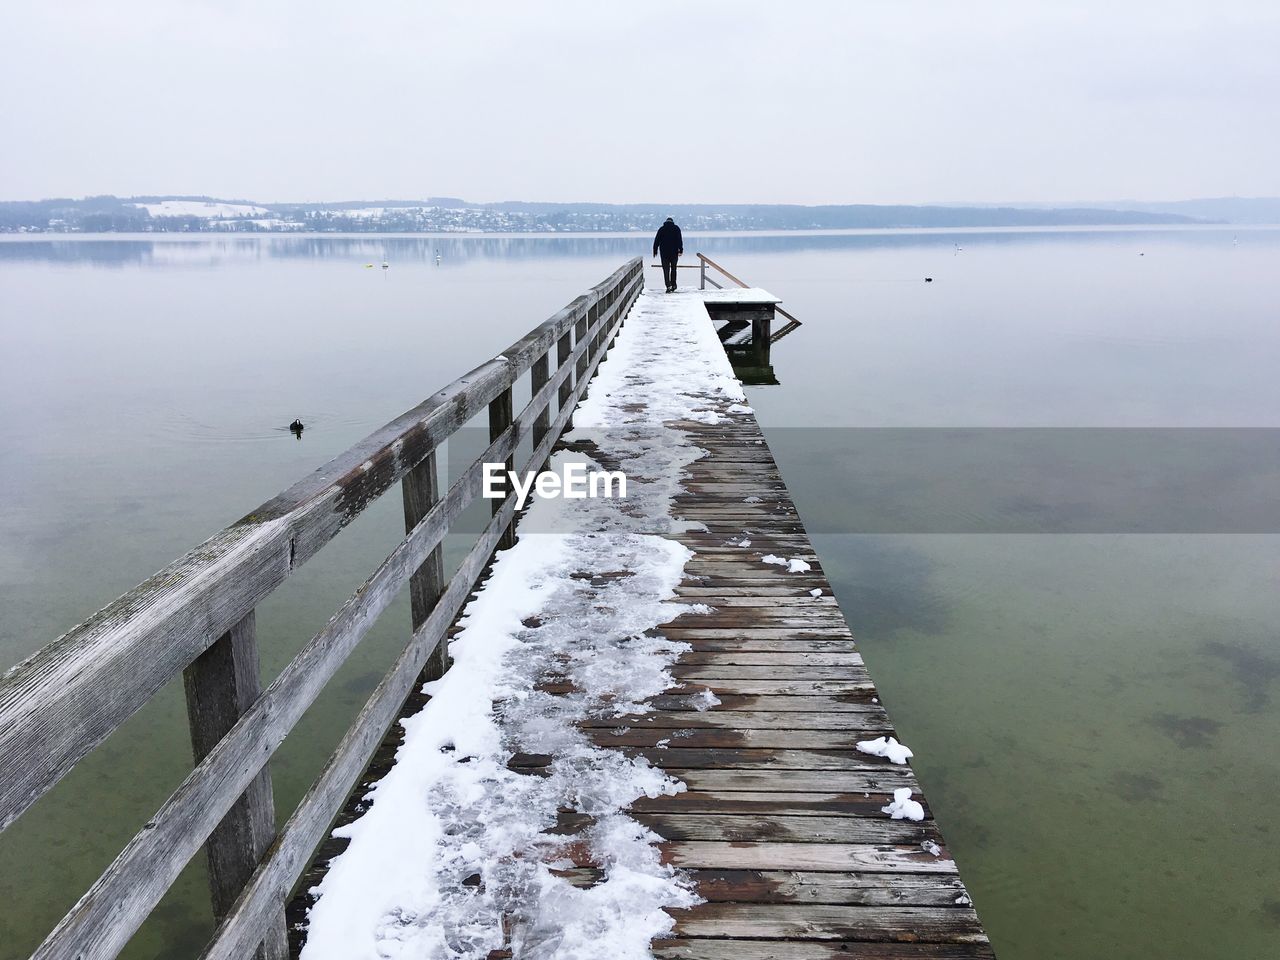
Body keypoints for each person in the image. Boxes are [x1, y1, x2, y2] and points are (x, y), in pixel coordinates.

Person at [653, 217, 683, 292]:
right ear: (672, 222)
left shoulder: (661, 229)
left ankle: (668, 286)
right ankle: (674, 284)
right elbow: (679, 240)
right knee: (673, 269)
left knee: (666, 270)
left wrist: (655, 250)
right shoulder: (676, 228)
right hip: (674, 253)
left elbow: (656, 240)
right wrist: (681, 250)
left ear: (665, 222)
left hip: (664, 253)